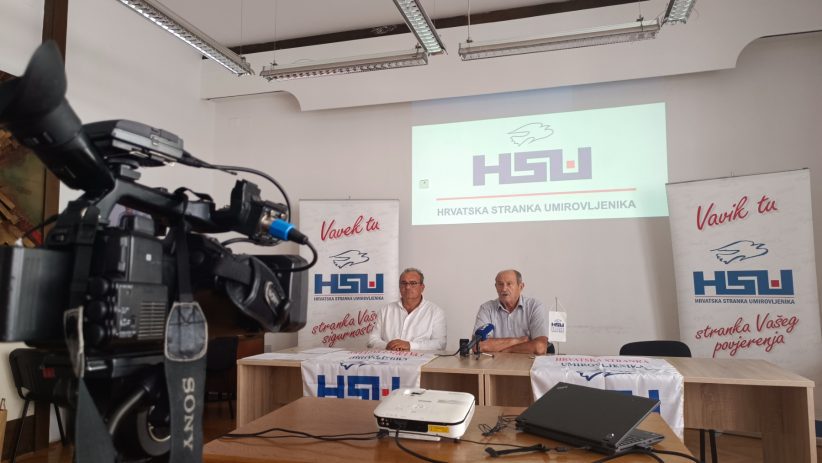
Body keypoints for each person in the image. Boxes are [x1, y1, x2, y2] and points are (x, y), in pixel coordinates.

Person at [367, 268, 447, 351]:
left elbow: (440, 344)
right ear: (399, 287)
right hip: (388, 358)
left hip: (420, 358)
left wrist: (410, 345)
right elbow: (372, 340)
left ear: (422, 287)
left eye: (413, 283)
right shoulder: (385, 310)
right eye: (404, 283)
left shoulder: (436, 312)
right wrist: (387, 345)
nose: (408, 287)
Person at [473, 269, 550, 355]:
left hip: (528, 362)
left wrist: (507, 350)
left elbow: (539, 347)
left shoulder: (535, 307)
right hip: (496, 363)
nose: (504, 289)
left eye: (509, 284)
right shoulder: (486, 308)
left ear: (521, 287)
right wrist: (518, 341)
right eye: (500, 284)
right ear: (496, 287)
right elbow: (477, 346)